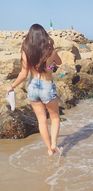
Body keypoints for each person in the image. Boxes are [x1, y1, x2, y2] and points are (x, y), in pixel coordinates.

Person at [7, 23, 62, 156]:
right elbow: (59, 62)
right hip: (46, 86)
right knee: (54, 118)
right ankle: (54, 144)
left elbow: (23, 73)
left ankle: (49, 149)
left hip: (32, 87)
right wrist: (51, 63)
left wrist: (12, 86)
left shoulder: (26, 50)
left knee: (41, 120)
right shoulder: (50, 50)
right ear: (43, 35)